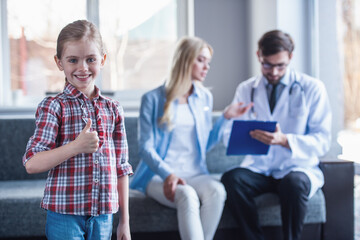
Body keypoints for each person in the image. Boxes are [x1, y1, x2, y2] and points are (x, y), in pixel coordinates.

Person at [130, 36, 251, 240]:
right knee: (187, 195)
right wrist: (169, 174)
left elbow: (206, 144)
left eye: (208, 62)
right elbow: (145, 147)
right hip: (159, 176)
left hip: (195, 173)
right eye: (201, 60)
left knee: (218, 191)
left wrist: (225, 117)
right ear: (186, 60)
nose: (207, 67)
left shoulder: (204, 98)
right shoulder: (152, 99)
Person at [22, 20, 133, 240]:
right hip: (64, 216)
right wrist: (75, 146)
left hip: (104, 216)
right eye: (73, 60)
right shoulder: (53, 106)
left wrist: (125, 222)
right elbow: (32, 164)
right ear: (59, 62)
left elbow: (121, 168)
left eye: (90, 59)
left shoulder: (114, 109)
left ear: (102, 60)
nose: (83, 68)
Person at [221, 30, 331, 240]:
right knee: (232, 179)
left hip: (296, 166)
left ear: (290, 57)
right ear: (258, 56)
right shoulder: (247, 89)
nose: (273, 72)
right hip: (260, 168)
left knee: (294, 183)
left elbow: (323, 140)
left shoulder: (312, 88)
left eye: (280, 65)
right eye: (267, 65)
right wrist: (243, 135)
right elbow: (228, 136)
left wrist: (285, 140)